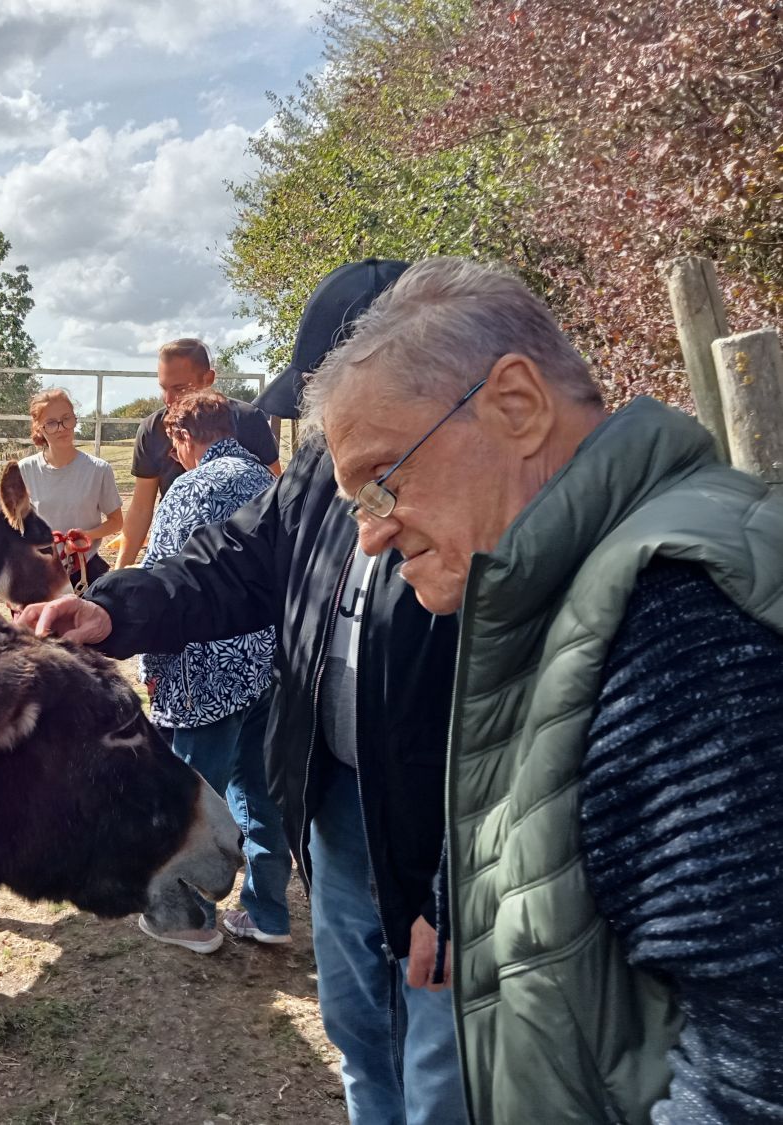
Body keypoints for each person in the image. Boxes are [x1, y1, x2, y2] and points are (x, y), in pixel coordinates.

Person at [305, 256, 783, 1123]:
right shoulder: (563, 590)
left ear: (516, 406)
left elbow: (757, 1068)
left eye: (385, 478)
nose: (370, 537)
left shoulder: (679, 621)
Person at [17, 259, 469, 1125]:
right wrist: (109, 610)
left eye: (340, 400)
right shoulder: (315, 479)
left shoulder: (488, 502)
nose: (324, 428)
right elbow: (225, 564)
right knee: (360, 1032)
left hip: (442, 823)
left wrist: (453, 889)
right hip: (339, 809)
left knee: (445, 1056)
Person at [134, 390, 289, 955]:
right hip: (267, 665)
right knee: (260, 792)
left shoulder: (190, 487)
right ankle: (268, 909)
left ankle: (189, 919)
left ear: (181, 437)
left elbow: (160, 585)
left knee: (193, 799)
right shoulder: (271, 484)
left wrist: (153, 666)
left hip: (204, 672)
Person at [116, 338, 280, 568]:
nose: (169, 399)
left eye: (180, 388)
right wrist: (119, 571)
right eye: (163, 388)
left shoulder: (248, 420)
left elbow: (275, 496)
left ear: (208, 379)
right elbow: (141, 508)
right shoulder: (152, 429)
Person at [17, 388, 122, 590]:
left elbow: (116, 522)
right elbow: (16, 524)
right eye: (51, 423)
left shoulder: (98, 469)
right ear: (39, 428)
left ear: (75, 420)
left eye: (67, 419)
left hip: (86, 569)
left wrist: (87, 536)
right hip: (42, 570)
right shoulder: (25, 470)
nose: (61, 428)